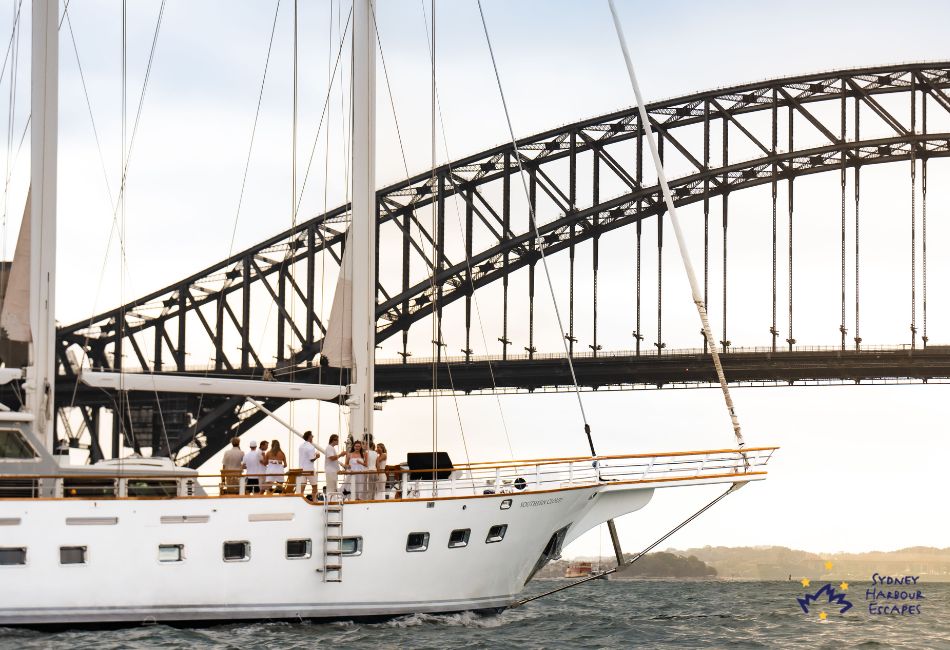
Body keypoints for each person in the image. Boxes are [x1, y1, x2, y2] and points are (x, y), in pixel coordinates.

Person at [297, 431, 320, 498]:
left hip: (301, 469)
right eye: (312, 436)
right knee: (314, 486)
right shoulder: (311, 447)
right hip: (309, 470)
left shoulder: (301, 446)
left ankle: (300, 499)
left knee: (302, 486)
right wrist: (317, 456)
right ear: (309, 436)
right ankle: (314, 500)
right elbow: (311, 459)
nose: (313, 437)